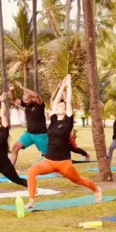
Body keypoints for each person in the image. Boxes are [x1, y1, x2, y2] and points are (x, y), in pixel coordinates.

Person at [25, 75, 101, 208]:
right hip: (48, 161)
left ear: (65, 110)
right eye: (59, 105)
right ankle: (31, 200)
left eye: (62, 105)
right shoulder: (53, 120)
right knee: (31, 172)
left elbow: (69, 102)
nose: (59, 106)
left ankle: (96, 189)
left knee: (78, 180)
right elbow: (54, 102)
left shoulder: (68, 121)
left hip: (64, 163)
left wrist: (69, 85)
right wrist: (61, 87)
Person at [9, 83, 48, 165]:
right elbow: (14, 99)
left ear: (32, 98)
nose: (25, 101)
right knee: (15, 148)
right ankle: (10, 169)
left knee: (47, 155)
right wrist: (12, 90)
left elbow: (37, 96)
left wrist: (22, 87)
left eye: (27, 99)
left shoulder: (39, 104)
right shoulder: (26, 104)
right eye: (24, 100)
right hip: (29, 134)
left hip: (41, 135)